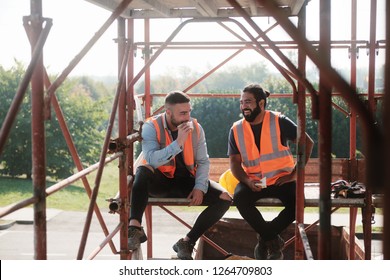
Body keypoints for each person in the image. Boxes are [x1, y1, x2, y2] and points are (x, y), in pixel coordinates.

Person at [128, 90, 232, 260]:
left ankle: (187, 242)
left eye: (189, 112)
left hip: (187, 183)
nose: (187, 117)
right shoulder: (151, 127)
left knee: (225, 198)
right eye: (182, 113)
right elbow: (152, 159)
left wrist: (199, 187)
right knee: (142, 170)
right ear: (168, 112)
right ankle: (134, 228)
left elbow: (204, 162)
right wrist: (178, 143)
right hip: (161, 182)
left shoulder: (197, 128)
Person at [228, 83, 314, 260]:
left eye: (248, 102)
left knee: (298, 203)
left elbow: (307, 143)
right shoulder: (236, 129)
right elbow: (235, 164)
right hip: (254, 180)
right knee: (240, 198)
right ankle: (273, 240)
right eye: (241, 102)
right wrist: (246, 181)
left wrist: (295, 174)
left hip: (282, 178)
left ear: (261, 103)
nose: (244, 106)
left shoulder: (279, 121)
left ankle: (265, 238)